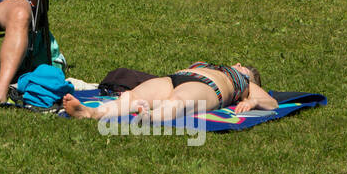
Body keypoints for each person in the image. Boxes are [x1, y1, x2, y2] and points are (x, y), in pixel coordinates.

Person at [60, 62, 276, 123]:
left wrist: (253, 101)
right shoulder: (218, 65)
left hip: (208, 87)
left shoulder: (244, 80)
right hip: (175, 78)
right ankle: (92, 112)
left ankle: (151, 117)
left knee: (179, 101)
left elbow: (272, 103)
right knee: (132, 96)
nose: (240, 66)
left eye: (245, 69)